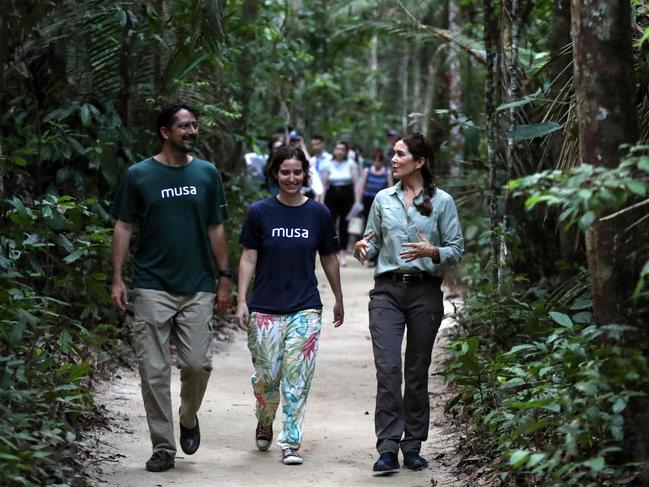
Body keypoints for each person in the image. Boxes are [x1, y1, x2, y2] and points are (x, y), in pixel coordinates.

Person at [111, 103, 232, 473]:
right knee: (154, 370)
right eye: (184, 126)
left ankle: (189, 415)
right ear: (166, 132)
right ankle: (163, 446)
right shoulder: (139, 174)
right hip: (151, 285)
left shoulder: (207, 173)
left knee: (197, 364)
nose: (192, 131)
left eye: (195, 125)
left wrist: (224, 277)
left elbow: (216, 227)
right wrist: (117, 277)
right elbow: (124, 227)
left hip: (197, 284)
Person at [354, 133, 463, 474]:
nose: (393, 159)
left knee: (416, 372)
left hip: (425, 293)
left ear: (419, 162)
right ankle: (387, 448)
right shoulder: (383, 199)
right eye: (393, 153)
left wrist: (433, 251)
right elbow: (372, 245)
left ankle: (412, 446)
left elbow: (456, 249)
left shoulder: (442, 201)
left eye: (400, 154)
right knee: (388, 370)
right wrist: (362, 249)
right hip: (386, 291)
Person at [236, 145, 344, 466]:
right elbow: (248, 257)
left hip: (305, 307)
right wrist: (242, 300)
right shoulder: (259, 212)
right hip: (265, 309)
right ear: (275, 174)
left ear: (305, 174)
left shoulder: (318, 214)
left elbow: (328, 257)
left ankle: (291, 442)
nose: (292, 178)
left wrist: (338, 297)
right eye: (285, 172)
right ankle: (265, 417)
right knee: (268, 377)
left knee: (297, 378)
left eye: (297, 172)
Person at [320, 142, 358, 266]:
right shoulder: (328, 164)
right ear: (334, 150)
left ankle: (342, 254)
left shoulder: (351, 163)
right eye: (338, 148)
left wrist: (357, 201)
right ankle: (331, 252)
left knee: (344, 225)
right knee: (330, 223)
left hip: (347, 194)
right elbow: (323, 185)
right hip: (331, 194)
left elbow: (356, 183)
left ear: (346, 151)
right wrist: (320, 201)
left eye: (343, 149)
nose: (340, 151)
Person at [355, 148, 394, 227]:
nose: (377, 162)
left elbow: (390, 188)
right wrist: (358, 202)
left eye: (379, 160)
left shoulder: (387, 172)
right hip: (367, 200)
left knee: (379, 221)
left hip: (381, 201)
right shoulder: (367, 171)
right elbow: (361, 187)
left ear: (382, 161)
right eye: (375, 160)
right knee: (366, 220)